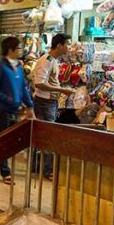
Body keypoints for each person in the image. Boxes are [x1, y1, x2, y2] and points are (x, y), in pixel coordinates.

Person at [0, 36, 35, 183]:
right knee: (3, 141)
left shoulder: (19, 68)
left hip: (14, 110)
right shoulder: (2, 67)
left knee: (4, 140)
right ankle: (5, 171)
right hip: (1, 109)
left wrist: (30, 106)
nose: (22, 50)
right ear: (11, 50)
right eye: (19, 48)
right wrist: (7, 99)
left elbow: (23, 88)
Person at [31, 34, 74, 181]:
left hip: (49, 102)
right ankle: (47, 170)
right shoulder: (46, 61)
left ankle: (37, 167)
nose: (69, 46)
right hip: (44, 103)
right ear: (59, 45)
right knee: (48, 136)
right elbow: (39, 83)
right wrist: (62, 90)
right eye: (68, 44)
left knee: (42, 135)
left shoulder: (53, 60)